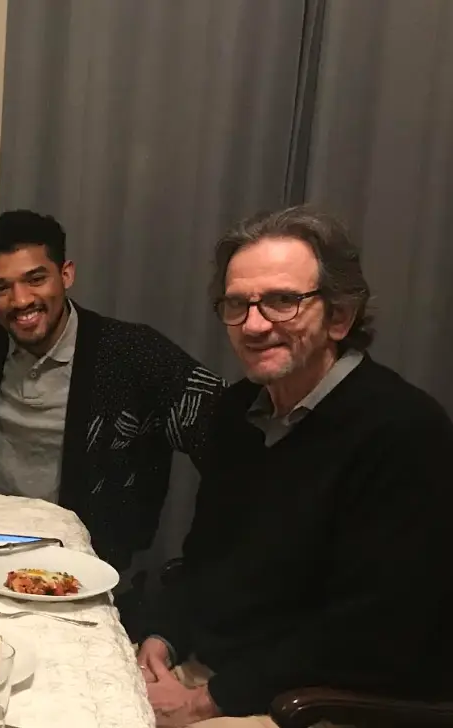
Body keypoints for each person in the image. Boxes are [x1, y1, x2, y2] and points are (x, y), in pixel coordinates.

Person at [138, 206, 453, 727]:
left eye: (283, 302)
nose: (255, 325)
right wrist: (163, 635)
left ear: (339, 317)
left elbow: (373, 634)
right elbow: (204, 556)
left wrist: (203, 701)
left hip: (316, 701)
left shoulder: (404, 431)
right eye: (237, 305)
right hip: (219, 670)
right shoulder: (235, 411)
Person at [0, 210, 225, 572]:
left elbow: (230, 438)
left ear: (66, 275)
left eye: (35, 279)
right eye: (1, 287)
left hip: (91, 564)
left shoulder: (132, 353)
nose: (20, 300)